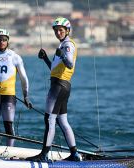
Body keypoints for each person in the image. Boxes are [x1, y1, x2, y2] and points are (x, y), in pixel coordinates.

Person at [26, 17, 82, 162]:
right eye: (56, 30)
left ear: (67, 31)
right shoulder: (62, 45)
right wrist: (45, 58)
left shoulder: (67, 45)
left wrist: (62, 54)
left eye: (61, 30)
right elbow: (54, 69)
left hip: (58, 86)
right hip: (63, 85)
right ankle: (74, 154)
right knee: (62, 121)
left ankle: (43, 155)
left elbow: (69, 64)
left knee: (49, 119)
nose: (58, 33)